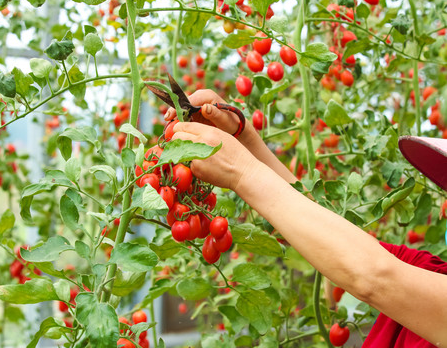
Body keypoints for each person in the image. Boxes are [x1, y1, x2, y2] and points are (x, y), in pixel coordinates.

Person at [164, 89, 447, 347]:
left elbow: (372, 276)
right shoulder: (431, 271)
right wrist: (242, 135)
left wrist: (242, 172)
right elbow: (332, 240)